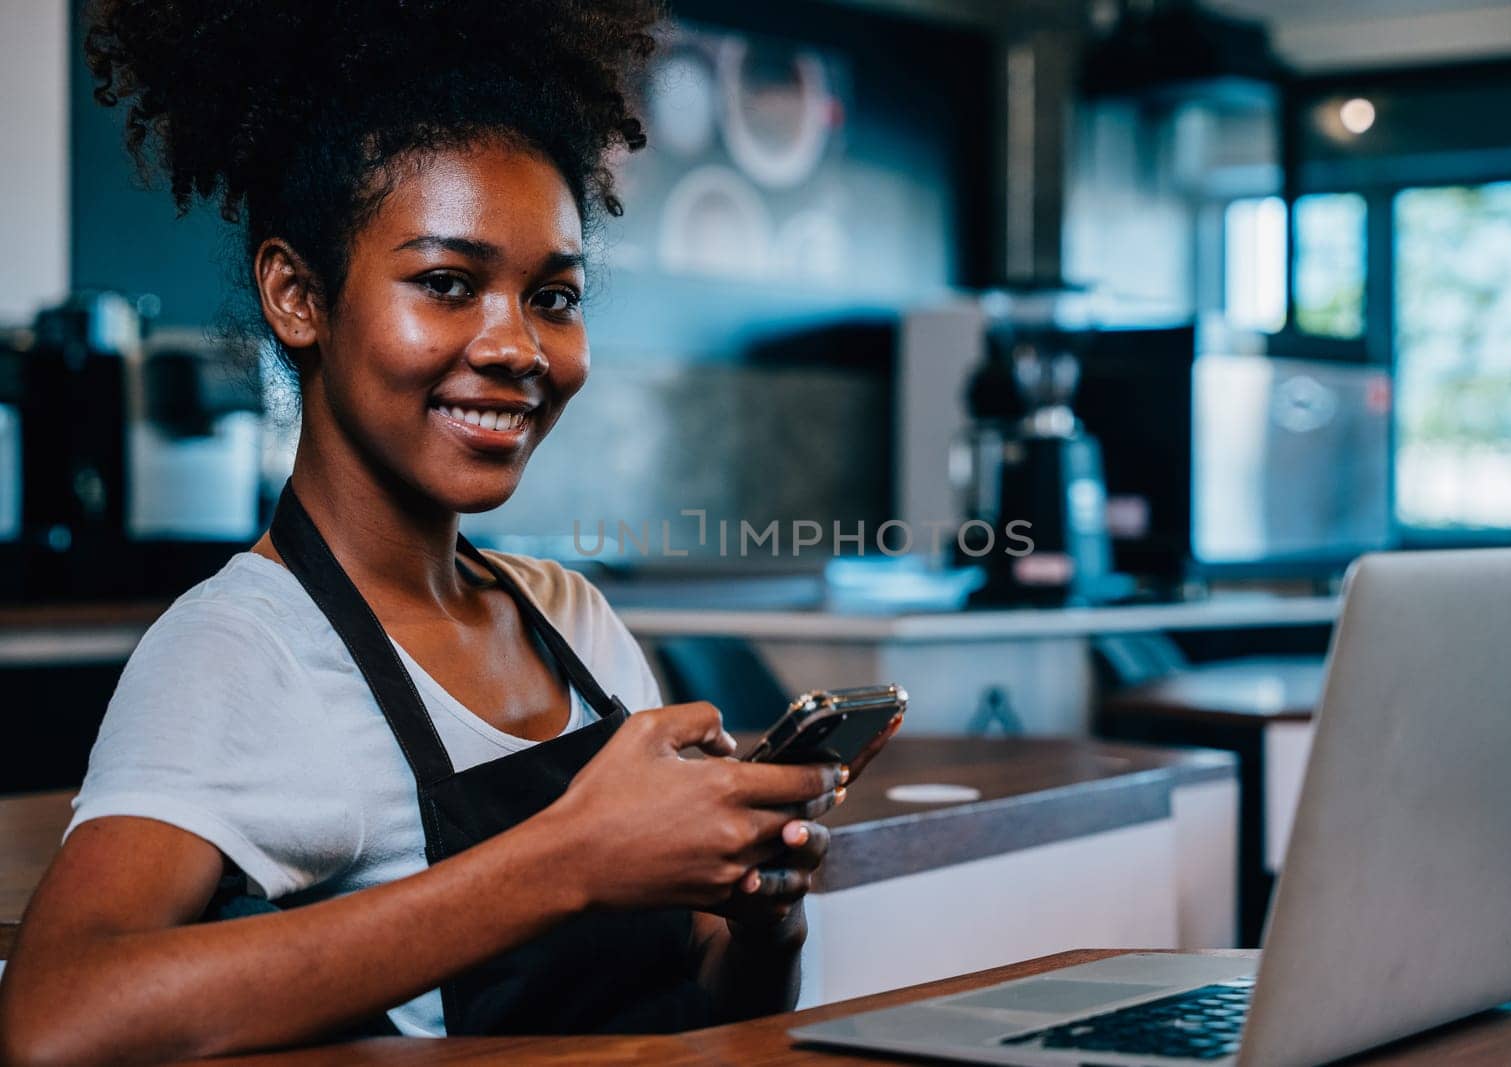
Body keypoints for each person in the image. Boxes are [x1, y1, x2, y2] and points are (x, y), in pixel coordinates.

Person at [0, 2, 899, 1062]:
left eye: (553, 295)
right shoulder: (246, 649)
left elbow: (710, 1010)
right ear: (297, 294)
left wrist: (762, 913)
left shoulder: (574, 617)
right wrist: (566, 858)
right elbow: (59, 1018)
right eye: (447, 284)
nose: (518, 345)